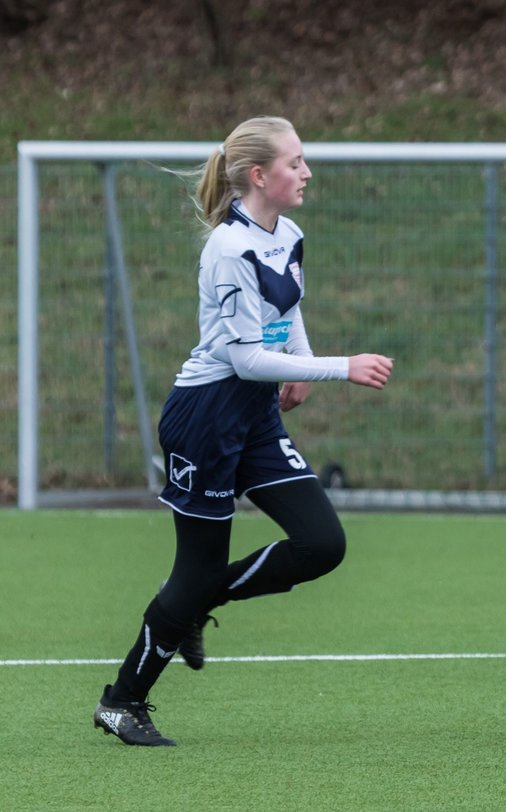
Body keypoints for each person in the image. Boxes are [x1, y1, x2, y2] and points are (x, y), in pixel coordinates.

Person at [93, 116, 394, 747]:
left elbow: (287, 308)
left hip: (255, 416)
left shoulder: (289, 232)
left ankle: (198, 602)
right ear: (260, 176)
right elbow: (244, 358)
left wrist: (303, 366)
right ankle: (123, 702)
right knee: (193, 571)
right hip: (206, 418)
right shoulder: (227, 250)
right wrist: (339, 367)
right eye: (294, 163)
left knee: (322, 543)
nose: (306, 172)